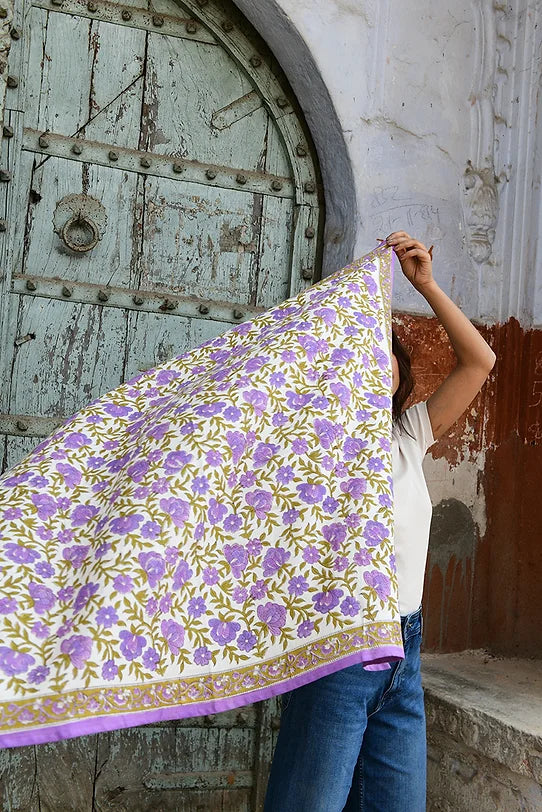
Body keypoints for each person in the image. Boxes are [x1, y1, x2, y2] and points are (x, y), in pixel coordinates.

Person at [263, 231, 496, 812]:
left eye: (385, 349)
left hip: (405, 652)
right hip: (338, 653)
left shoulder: (407, 436)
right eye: (360, 350)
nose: (377, 360)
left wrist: (425, 284)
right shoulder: (314, 448)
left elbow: (481, 361)